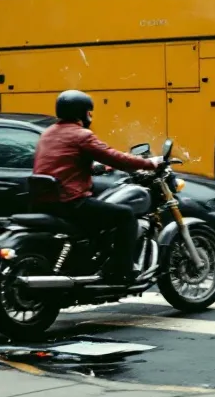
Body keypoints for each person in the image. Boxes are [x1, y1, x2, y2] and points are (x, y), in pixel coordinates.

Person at [32, 90, 162, 282]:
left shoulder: (48, 133)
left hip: (45, 200)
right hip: (70, 201)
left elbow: (64, 161)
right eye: (89, 112)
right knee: (125, 216)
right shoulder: (81, 135)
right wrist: (151, 163)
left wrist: (96, 167)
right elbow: (115, 156)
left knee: (101, 209)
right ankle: (121, 270)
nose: (90, 117)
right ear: (82, 112)